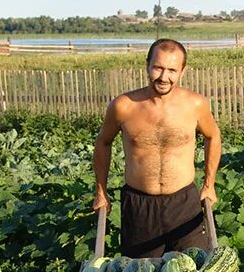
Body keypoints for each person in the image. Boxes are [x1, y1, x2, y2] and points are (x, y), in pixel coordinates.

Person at [92, 38, 222, 258]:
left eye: (172, 70)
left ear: (183, 70)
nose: (164, 77)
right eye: (158, 68)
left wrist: (209, 184)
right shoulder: (124, 106)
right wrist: (100, 191)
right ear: (147, 65)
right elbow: (103, 142)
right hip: (140, 206)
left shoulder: (195, 104)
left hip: (183, 202)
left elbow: (213, 136)